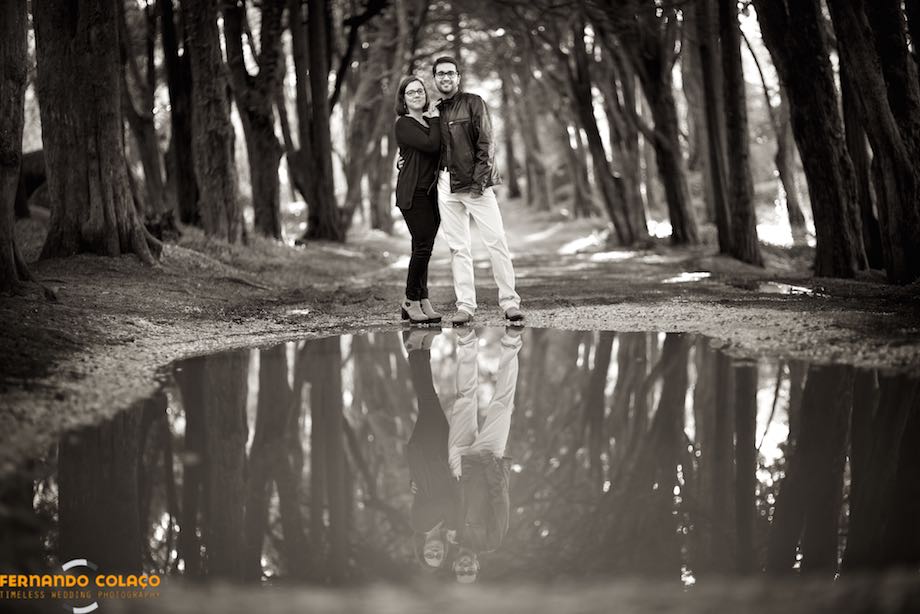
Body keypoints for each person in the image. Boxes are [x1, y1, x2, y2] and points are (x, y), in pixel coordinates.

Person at [431, 56, 524, 325]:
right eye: (440, 74)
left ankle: (510, 303)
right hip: (445, 184)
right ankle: (465, 307)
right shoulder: (434, 109)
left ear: (458, 77)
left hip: (475, 185)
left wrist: (479, 182)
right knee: (458, 248)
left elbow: (486, 142)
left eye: (450, 73)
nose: (445, 78)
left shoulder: (473, 102)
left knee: (496, 242)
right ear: (435, 78)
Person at [447, 327, 524, 582]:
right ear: (477, 567)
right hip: (487, 460)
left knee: (465, 398)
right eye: (470, 572)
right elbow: (500, 499)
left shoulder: (452, 536)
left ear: (454, 567)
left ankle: (467, 339)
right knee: (502, 405)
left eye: (461, 571)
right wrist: (490, 463)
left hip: (460, 464)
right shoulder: (492, 541)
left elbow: (439, 502)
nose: (465, 567)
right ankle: (512, 341)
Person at [404, 328, 460, 572]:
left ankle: (416, 348)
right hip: (442, 455)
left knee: (428, 401)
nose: (434, 551)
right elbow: (450, 499)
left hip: (425, 455)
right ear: (444, 552)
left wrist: (451, 522)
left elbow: (446, 503)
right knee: (429, 400)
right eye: (438, 555)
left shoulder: (419, 524)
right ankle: (420, 349)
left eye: (429, 554)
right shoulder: (451, 525)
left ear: (423, 549)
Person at [394, 76, 443, 324]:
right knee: (423, 247)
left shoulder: (430, 120)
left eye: (420, 91)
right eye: (411, 92)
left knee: (423, 247)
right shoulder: (403, 123)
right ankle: (410, 299)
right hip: (413, 192)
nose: (416, 95)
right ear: (403, 99)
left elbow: (440, 148)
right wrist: (434, 120)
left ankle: (422, 298)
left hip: (432, 192)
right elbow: (431, 144)